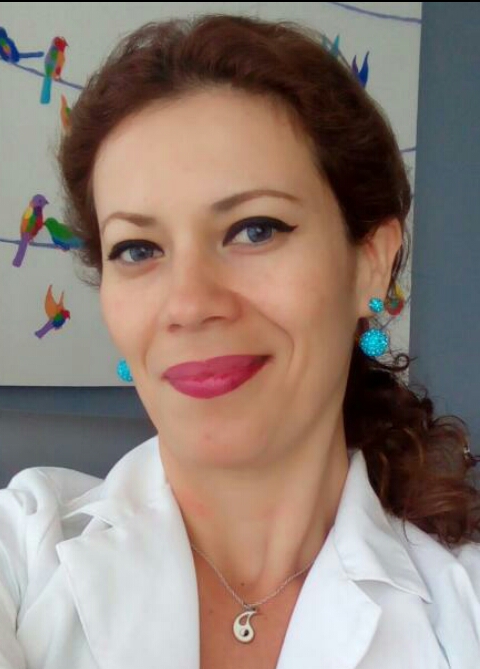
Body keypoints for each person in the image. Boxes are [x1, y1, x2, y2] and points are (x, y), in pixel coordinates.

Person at [1, 13, 479, 669]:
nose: (190, 304)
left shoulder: (465, 610)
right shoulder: (21, 553)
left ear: (372, 262)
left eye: (255, 230)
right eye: (138, 249)